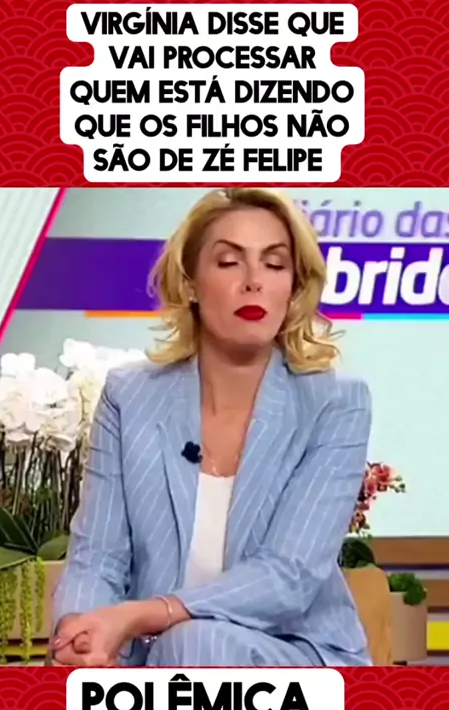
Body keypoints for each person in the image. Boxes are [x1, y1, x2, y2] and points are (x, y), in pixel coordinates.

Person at [50, 187, 372, 668]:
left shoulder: (334, 403)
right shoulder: (129, 396)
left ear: (293, 288)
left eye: (274, 264)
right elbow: (98, 556)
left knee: (196, 642)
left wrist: (146, 615)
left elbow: (289, 576)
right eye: (228, 262)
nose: (254, 282)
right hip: (155, 663)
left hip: (296, 656)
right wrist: (82, 635)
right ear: (191, 284)